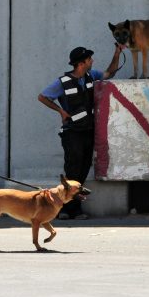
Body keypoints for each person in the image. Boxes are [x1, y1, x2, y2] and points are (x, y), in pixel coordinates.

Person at [38, 45, 124, 219]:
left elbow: (110, 73)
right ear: (81, 63)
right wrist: (61, 111)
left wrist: (117, 53)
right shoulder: (63, 82)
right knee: (72, 169)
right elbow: (42, 96)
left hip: (88, 131)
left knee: (83, 169)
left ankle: (74, 208)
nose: (92, 61)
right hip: (72, 133)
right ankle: (65, 209)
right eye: (89, 59)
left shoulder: (91, 76)